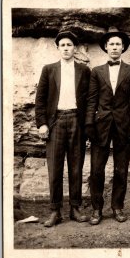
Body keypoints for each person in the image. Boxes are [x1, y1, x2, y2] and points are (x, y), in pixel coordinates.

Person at [85, 26, 130, 225]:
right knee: (96, 170)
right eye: (111, 44)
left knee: (121, 169)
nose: (115, 47)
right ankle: (96, 209)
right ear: (106, 47)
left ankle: (117, 207)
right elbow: (91, 101)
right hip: (101, 126)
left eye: (118, 44)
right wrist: (89, 124)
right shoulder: (96, 71)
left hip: (124, 126)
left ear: (123, 47)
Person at [35, 30, 90, 227]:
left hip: (77, 119)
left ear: (75, 48)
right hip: (56, 121)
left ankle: (75, 208)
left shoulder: (84, 70)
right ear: (58, 48)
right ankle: (55, 211)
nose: (66, 48)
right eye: (63, 45)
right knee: (55, 168)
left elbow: (90, 100)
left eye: (69, 45)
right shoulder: (48, 69)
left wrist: (88, 125)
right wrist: (42, 123)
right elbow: (40, 100)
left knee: (76, 167)